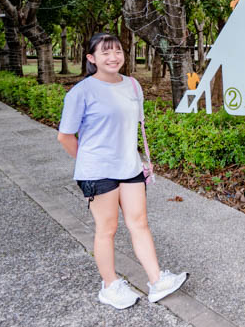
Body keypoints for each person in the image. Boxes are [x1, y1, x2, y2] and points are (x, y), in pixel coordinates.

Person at [57, 33, 187, 309]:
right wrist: (90, 162)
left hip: (129, 166)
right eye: (105, 53)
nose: (113, 57)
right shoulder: (81, 92)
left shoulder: (132, 85)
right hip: (97, 172)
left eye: (117, 51)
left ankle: (156, 280)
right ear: (91, 58)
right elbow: (65, 136)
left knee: (139, 223)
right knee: (107, 228)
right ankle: (110, 286)